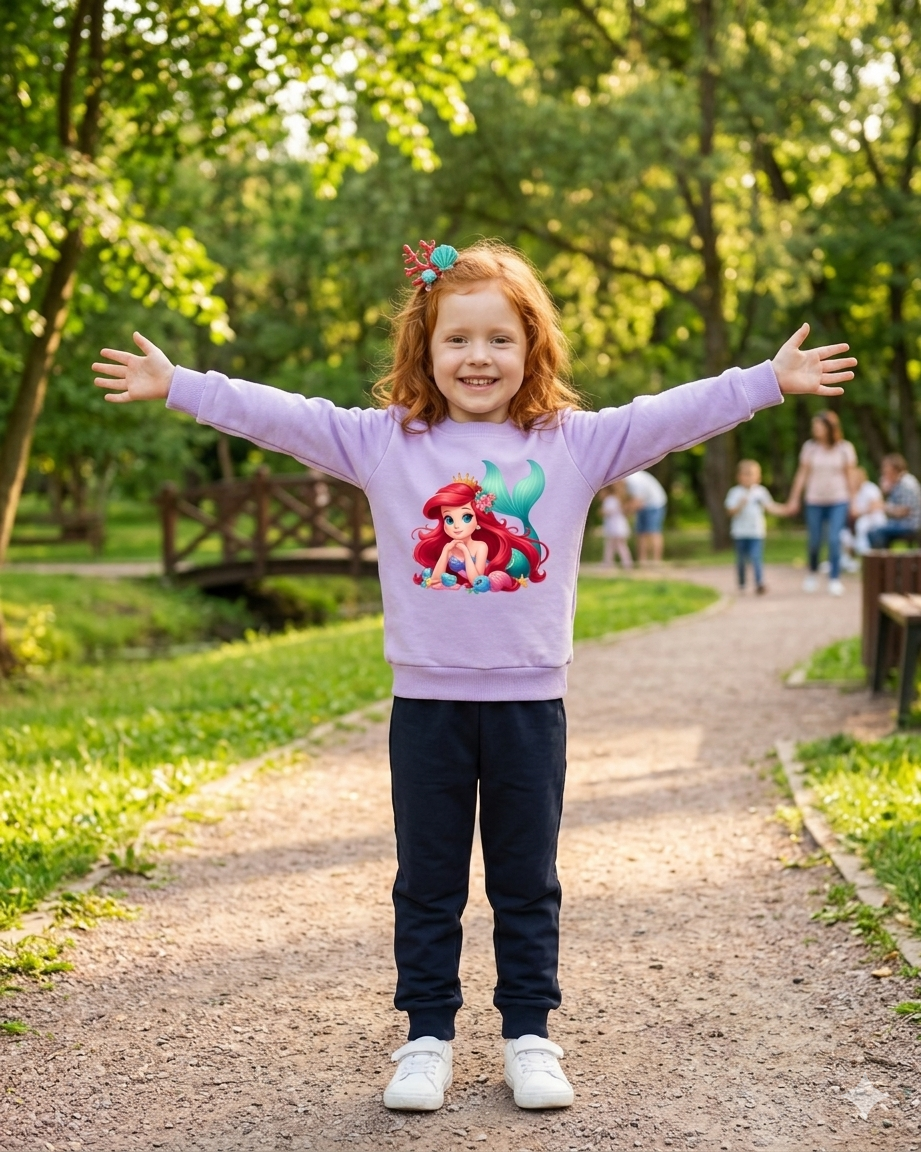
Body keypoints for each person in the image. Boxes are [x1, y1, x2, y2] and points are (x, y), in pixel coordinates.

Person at [92, 239, 854, 1114]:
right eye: (457, 340)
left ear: (531, 346)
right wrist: (181, 384)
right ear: (425, 349)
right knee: (427, 879)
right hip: (426, 706)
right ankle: (426, 1037)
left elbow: (670, 413)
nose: (477, 357)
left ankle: (529, 1033)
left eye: (498, 339)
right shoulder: (383, 443)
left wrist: (764, 379)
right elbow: (281, 414)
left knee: (526, 879)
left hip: (531, 705)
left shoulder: (573, 444)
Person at [787, 409, 858, 595]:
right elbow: (802, 475)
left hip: (838, 500)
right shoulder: (809, 448)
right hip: (814, 500)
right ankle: (812, 573)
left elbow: (850, 476)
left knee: (835, 540)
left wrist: (854, 501)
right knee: (815, 541)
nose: (815, 429)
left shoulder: (845, 448)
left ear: (829, 427)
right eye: (813, 425)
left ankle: (834, 579)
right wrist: (794, 498)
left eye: (818, 425)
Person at [724, 460, 789, 594]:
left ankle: (759, 583)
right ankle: (742, 582)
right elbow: (730, 512)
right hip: (740, 533)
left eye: (752, 474)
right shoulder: (735, 492)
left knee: (756, 557)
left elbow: (770, 507)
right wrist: (740, 505)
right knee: (741, 560)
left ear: (758, 477)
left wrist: (785, 510)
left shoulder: (760, 492)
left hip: (756, 532)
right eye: (745, 474)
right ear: (739, 476)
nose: (749, 478)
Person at [867, 454, 921, 549]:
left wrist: (884, 507)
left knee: (876, 532)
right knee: (872, 530)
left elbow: (904, 511)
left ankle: (884, 561)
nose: (883, 471)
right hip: (901, 523)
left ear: (895, 469)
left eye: (886, 469)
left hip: (910, 525)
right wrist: (885, 492)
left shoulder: (906, 484)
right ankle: (885, 560)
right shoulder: (897, 484)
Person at [839, 466, 886, 570]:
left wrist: (859, 513)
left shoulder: (870, 488)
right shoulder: (850, 491)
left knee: (862, 524)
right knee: (843, 534)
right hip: (854, 522)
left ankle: (865, 554)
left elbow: (876, 506)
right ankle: (847, 560)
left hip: (873, 519)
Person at [624, 469, 667, 564]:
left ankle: (656, 561)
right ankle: (642, 561)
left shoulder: (633, 480)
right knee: (641, 533)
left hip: (655, 503)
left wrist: (626, 514)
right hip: (644, 505)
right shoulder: (629, 478)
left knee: (653, 531)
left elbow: (637, 501)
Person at [599, 480, 633, 568]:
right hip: (618, 528)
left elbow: (607, 511)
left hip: (615, 529)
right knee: (615, 546)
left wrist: (601, 512)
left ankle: (612, 563)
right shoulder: (617, 499)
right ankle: (612, 562)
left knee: (615, 546)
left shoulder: (610, 500)